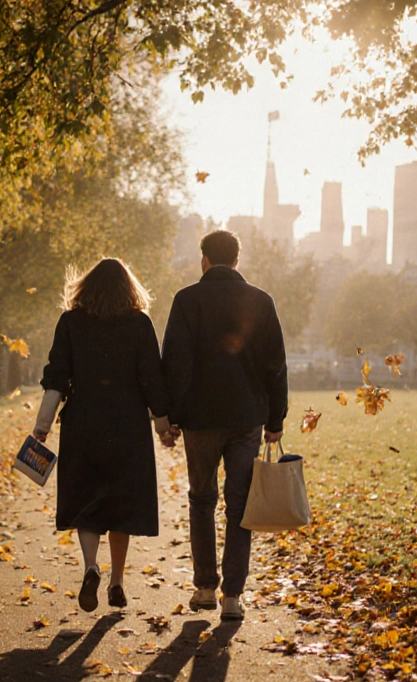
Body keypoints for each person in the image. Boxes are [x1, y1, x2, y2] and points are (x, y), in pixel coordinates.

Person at [33, 258, 174, 613]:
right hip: (127, 420)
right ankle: (117, 580)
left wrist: (42, 426)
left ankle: (91, 566)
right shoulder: (140, 324)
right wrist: (162, 425)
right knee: (121, 503)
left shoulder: (70, 322)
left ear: (86, 287)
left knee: (87, 499)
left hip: (84, 420)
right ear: (130, 289)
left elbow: (57, 378)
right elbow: (151, 377)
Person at [161, 230, 289, 621]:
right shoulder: (260, 301)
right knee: (238, 506)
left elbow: (175, 362)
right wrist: (275, 420)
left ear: (203, 260)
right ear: (237, 260)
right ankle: (232, 596)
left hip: (200, 419)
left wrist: (171, 417)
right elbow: (276, 364)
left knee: (202, 501)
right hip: (247, 418)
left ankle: (204, 587)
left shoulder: (186, 300)